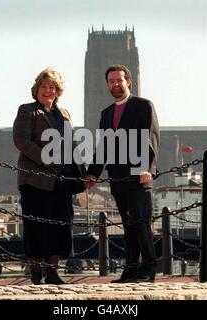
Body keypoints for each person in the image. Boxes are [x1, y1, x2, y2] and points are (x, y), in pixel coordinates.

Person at [86, 64, 160, 283]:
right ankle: (130, 270)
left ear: (129, 81)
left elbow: (151, 138)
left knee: (141, 223)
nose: (115, 84)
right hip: (117, 178)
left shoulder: (143, 105)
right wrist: (93, 174)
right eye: (111, 81)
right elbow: (102, 147)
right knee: (128, 226)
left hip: (139, 175)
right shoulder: (106, 114)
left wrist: (148, 168)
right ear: (107, 84)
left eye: (119, 80)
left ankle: (148, 268)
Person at [13, 68, 85, 285]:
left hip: (62, 179)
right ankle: (36, 273)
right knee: (37, 226)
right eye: (44, 86)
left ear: (58, 91)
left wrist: (83, 172)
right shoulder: (28, 111)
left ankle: (53, 272)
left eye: (52, 87)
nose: (48, 90)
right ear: (37, 89)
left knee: (61, 224)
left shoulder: (64, 114)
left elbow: (72, 145)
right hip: (35, 179)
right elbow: (21, 141)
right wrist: (47, 159)